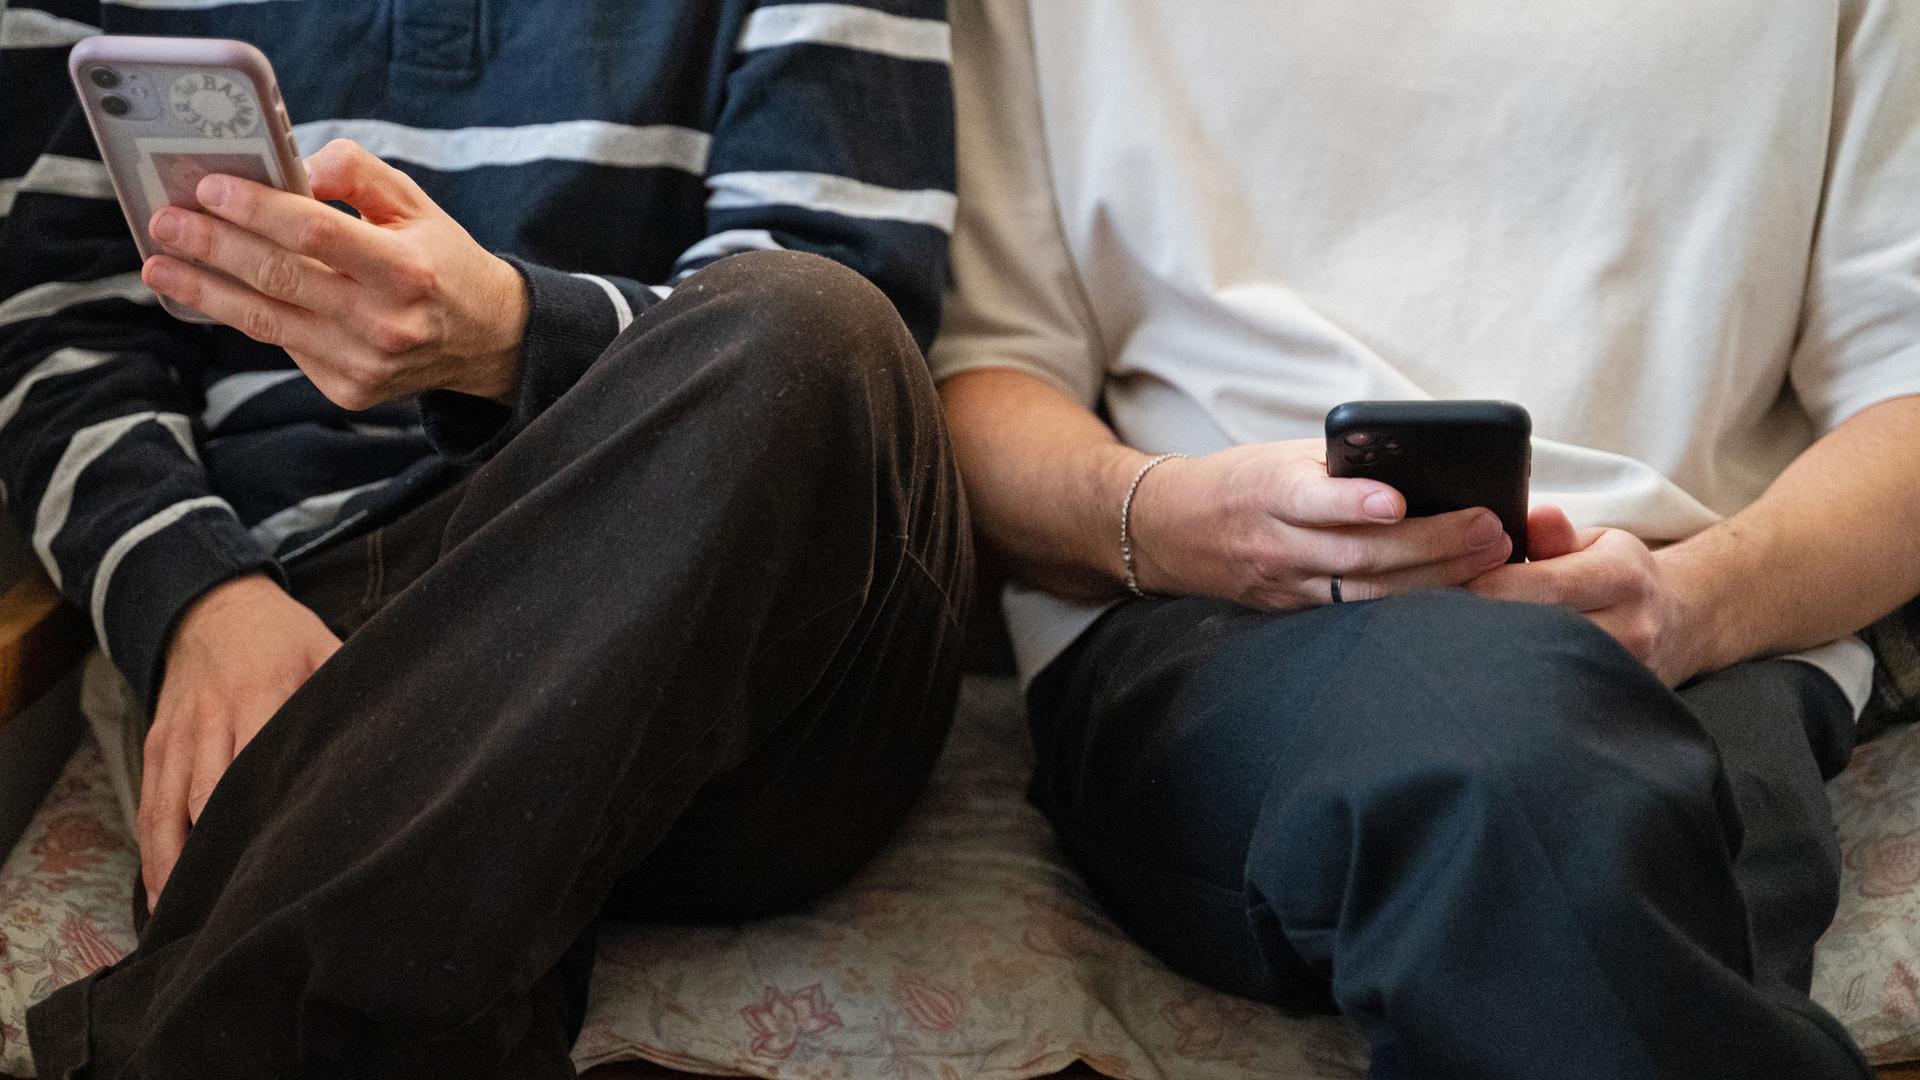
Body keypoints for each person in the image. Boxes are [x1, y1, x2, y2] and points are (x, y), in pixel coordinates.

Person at [932, 0, 1920, 1076]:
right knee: (1527, 791)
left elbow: (1903, 390)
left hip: (1709, 625)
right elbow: (981, 380)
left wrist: (1691, 606)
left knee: (1603, 872)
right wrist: (1175, 522)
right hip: (1211, 629)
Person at [0, 2, 968, 1076]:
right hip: (317, 630)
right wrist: (199, 603)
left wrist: (506, 333)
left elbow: (844, 320)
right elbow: (59, 335)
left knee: (811, 330)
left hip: (743, 644)